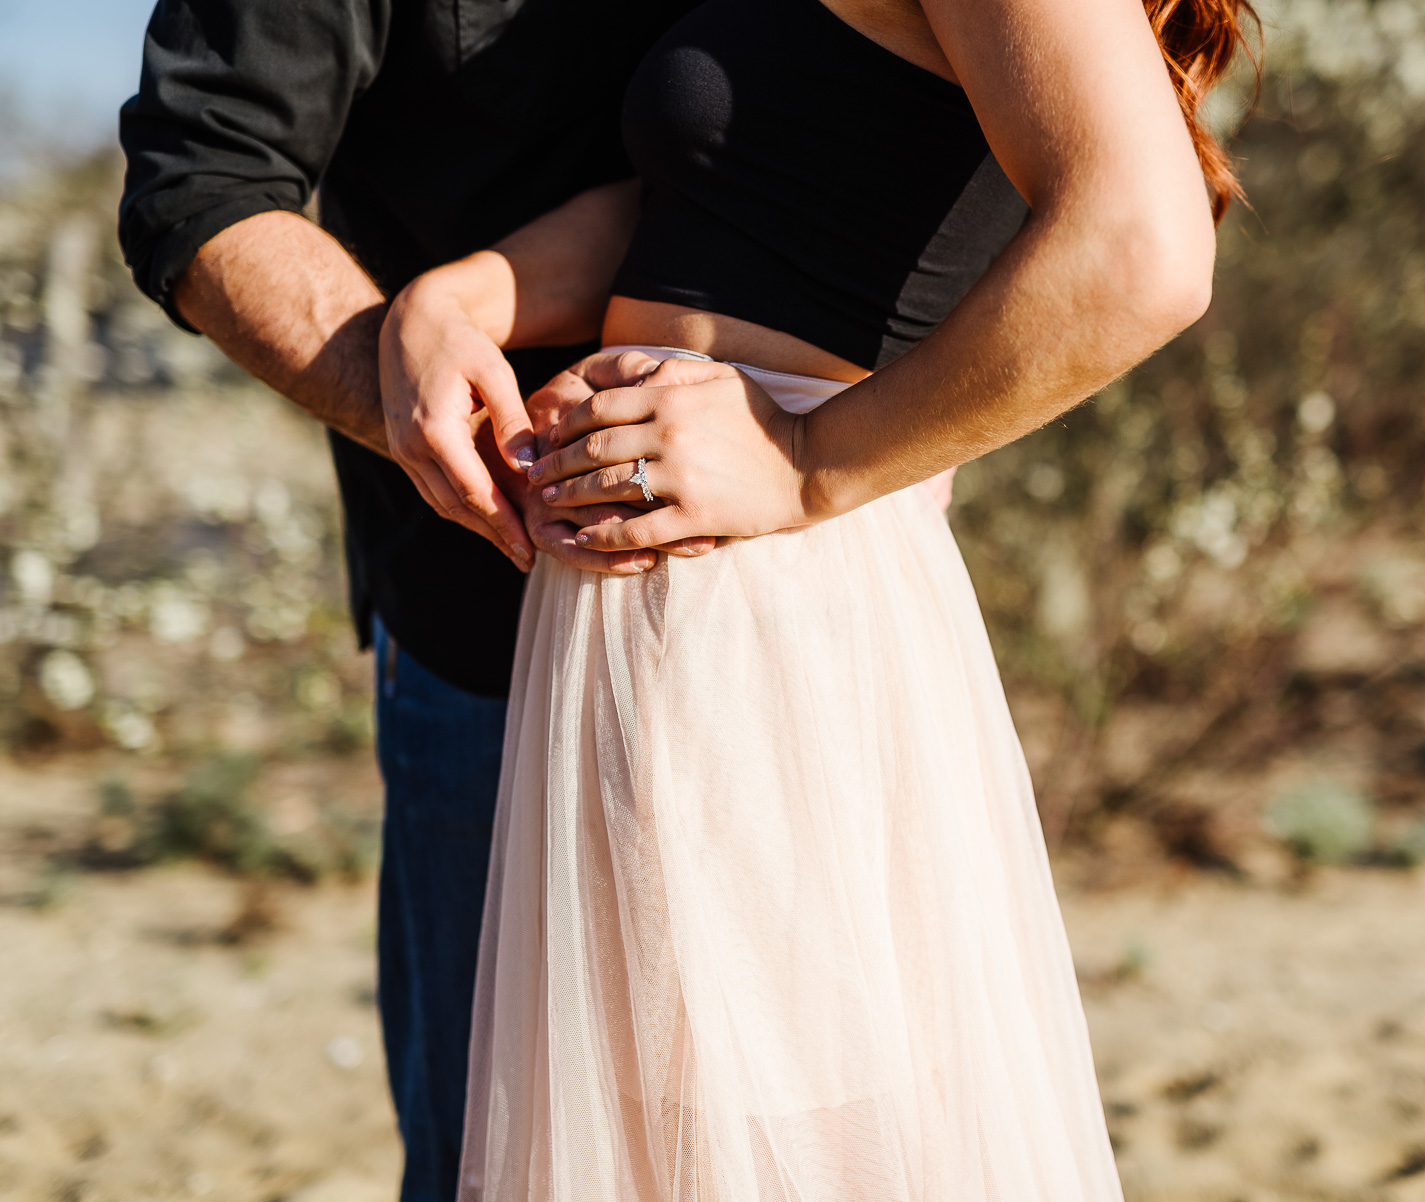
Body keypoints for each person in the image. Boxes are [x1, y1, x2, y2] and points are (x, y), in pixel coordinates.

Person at [383, 0, 1255, 1194]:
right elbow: (704, 195)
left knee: (801, 1139)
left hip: (762, 627)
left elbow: (1141, 248)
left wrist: (806, 462)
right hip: (655, 628)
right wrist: (461, 297)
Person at [115, 4, 715, 1198]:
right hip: (482, 636)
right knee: (497, 1157)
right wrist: (429, 399)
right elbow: (206, 171)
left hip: (822, 628)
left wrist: (836, 458)